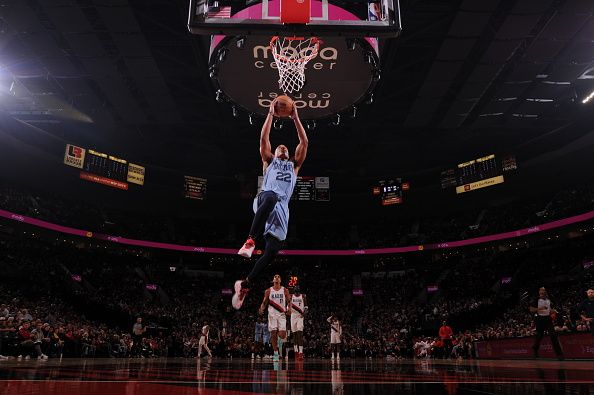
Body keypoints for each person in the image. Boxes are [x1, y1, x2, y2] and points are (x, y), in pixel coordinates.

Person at [232, 99, 308, 310]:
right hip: (265, 200)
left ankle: (246, 284)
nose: (282, 147)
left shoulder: (294, 166)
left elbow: (304, 143)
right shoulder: (269, 161)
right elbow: (264, 137)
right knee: (271, 196)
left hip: (282, 210)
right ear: (273, 153)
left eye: (285, 147)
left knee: (274, 250)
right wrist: (270, 115)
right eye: (279, 147)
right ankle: (250, 240)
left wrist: (296, 118)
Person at [259, 274, 291, 362]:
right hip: (272, 315)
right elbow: (264, 302)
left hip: (281, 314)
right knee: (273, 333)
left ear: (280, 280)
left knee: (282, 335)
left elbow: (289, 301)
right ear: (273, 280)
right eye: (275, 277)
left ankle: (276, 336)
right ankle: (276, 353)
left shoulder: (285, 290)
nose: (276, 278)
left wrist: (290, 308)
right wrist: (261, 308)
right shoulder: (268, 291)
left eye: (278, 277)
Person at [529, 287, 564, 360]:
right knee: (539, 337)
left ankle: (559, 354)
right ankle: (535, 349)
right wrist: (541, 308)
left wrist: (552, 310)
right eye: (541, 290)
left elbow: (548, 309)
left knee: (553, 335)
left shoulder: (548, 299)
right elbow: (531, 309)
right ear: (539, 292)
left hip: (548, 319)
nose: (543, 291)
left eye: (544, 290)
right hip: (539, 320)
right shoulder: (536, 299)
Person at [290, 286, 307, 360]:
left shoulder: (303, 296)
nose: (297, 293)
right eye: (296, 292)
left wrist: (304, 313)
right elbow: (288, 306)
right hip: (293, 316)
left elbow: (306, 307)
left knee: (300, 334)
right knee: (294, 335)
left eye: (298, 292)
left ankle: (301, 353)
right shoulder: (291, 296)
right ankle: (296, 351)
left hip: (300, 316)